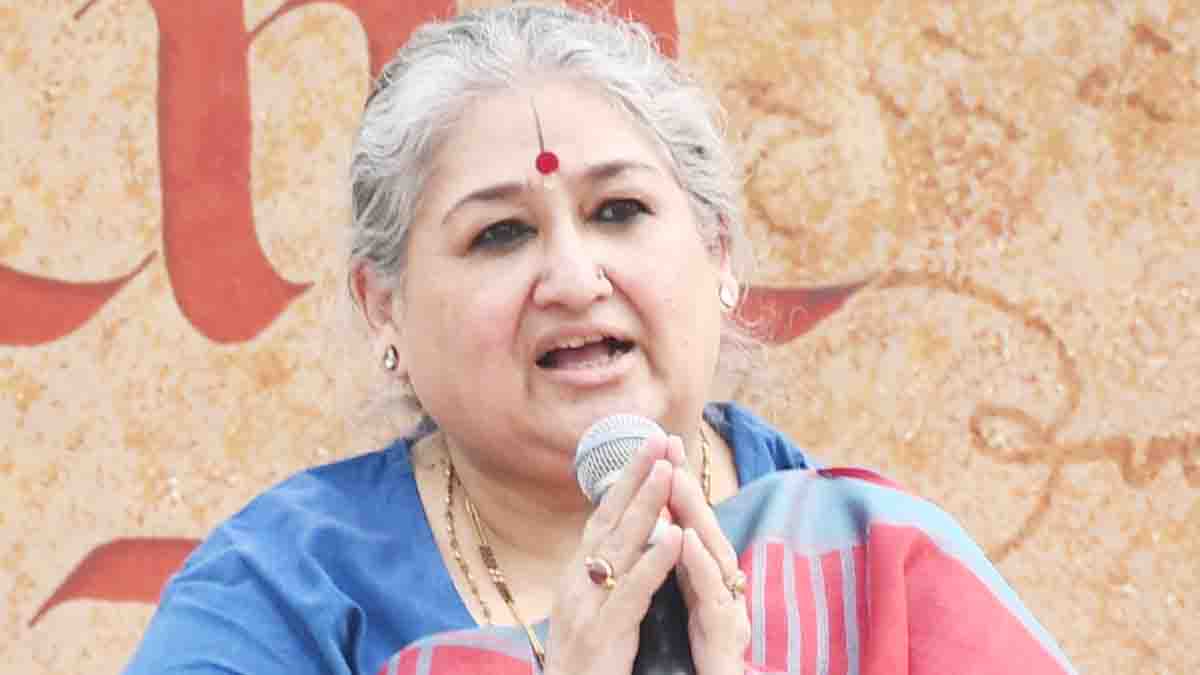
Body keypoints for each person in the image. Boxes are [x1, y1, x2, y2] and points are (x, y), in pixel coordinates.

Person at [123, 4, 1077, 674]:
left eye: (619, 211)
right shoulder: (277, 607)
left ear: (717, 251)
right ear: (385, 308)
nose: (575, 279)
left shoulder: (877, 571)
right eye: (501, 233)